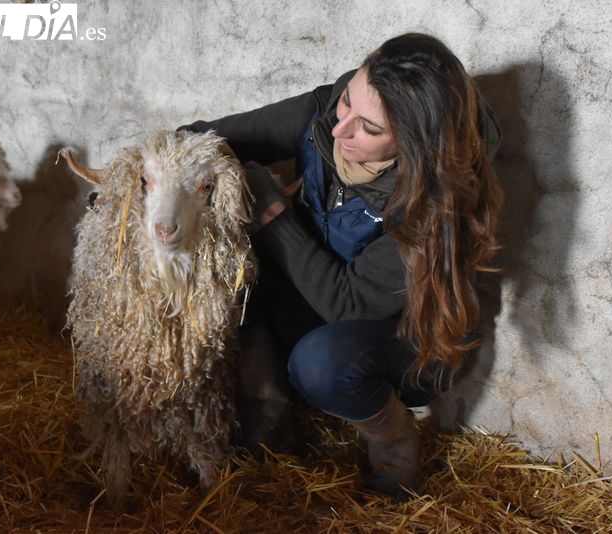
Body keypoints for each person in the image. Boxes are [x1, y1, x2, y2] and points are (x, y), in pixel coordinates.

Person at [180, 33, 503, 499]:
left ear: (415, 143)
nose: (339, 130)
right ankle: (267, 411)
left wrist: (274, 217)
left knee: (322, 363)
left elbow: (349, 304)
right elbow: (208, 139)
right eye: (348, 100)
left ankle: (393, 438)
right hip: (314, 298)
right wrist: (137, 178)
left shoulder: (437, 205)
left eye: (368, 128)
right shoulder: (325, 114)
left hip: (409, 340)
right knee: (229, 269)